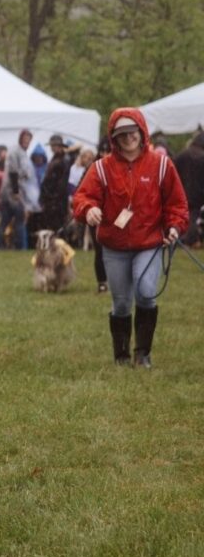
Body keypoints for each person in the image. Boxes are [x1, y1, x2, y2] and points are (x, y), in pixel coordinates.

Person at [72, 109, 188, 368]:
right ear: (114, 138)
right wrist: (88, 209)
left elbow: (177, 203)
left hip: (150, 243)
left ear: (142, 131)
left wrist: (175, 227)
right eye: (121, 134)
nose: (128, 138)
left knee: (146, 292)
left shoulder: (161, 164)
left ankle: (143, 353)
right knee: (121, 302)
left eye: (132, 131)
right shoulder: (101, 168)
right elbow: (81, 197)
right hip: (114, 245)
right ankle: (121, 356)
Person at [0, 129, 36, 250]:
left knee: (5, 220)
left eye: (29, 140)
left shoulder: (23, 153)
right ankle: (20, 247)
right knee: (18, 219)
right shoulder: (14, 151)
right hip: (11, 192)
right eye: (25, 139)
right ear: (20, 139)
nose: (27, 142)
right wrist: (16, 191)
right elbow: (13, 172)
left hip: (14, 191)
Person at [173, 132, 204, 247]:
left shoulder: (182, 154)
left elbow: (173, 170)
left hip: (181, 190)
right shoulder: (202, 156)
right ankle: (189, 240)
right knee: (193, 216)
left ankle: (181, 237)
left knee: (182, 215)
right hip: (198, 193)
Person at [38, 134, 71, 233]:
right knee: (51, 227)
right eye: (52, 145)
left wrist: (54, 200)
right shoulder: (54, 159)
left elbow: (62, 184)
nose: (53, 147)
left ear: (60, 146)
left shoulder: (64, 160)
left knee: (57, 228)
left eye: (55, 145)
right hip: (50, 199)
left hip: (57, 201)